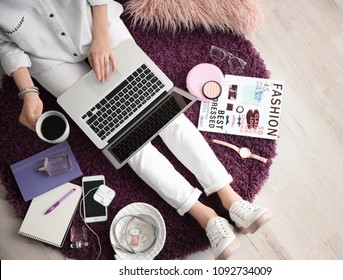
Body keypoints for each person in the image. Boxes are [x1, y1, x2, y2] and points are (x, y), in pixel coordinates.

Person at [0, 0, 272, 260]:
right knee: (123, 140)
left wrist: (102, 36)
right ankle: (205, 217)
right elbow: (6, 44)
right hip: (50, 61)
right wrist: (28, 91)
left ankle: (231, 199)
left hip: (97, 24)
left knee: (163, 112)